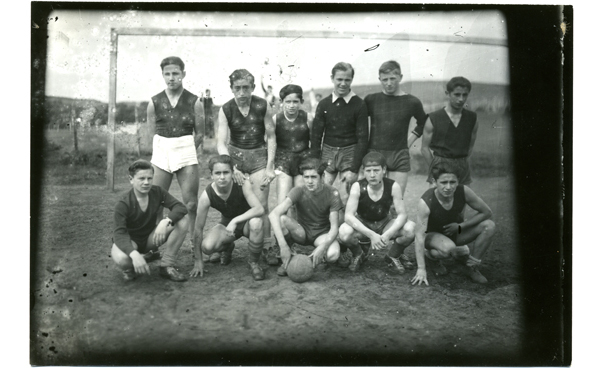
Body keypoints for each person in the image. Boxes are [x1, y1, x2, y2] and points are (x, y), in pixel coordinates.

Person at [216, 69, 277, 261]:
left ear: (252, 87)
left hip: (258, 158)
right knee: (230, 206)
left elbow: (271, 136)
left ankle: (266, 247)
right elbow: (220, 142)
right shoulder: (226, 109)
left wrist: (269, 167)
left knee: (262, 206)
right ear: (231, 88)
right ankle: (226, 245)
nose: (241, 92)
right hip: (235, 159)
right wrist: (231, 167)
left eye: (245, 88)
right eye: (237, 88)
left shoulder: (262, 105)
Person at [146, 56, 204, 247]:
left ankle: (195, 243)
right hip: (162, 152)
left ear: (183, 74)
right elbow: (151, 134)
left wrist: (185, 152)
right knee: (155, 204)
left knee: (191, 204)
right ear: (162, 75)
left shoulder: (194, 101)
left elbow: (200, 134)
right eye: (167, 74)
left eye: (175, 73)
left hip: (186, 151)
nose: (171, 78)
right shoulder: (154, 102)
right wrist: (163, 152)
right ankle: (155, 246)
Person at [410, 163, 496, 286]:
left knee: (489, 226)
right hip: (432, 236)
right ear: (434, 181)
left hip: (455, 231)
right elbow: (419, 236)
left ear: (458, 181)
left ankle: (472, 267)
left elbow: (487, 212)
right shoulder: (426, 201)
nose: (448, 187)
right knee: (448, 249)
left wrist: (461, 226)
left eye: (452, 182)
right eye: (443, 182)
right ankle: (431, 258)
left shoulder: (464, 191)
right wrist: (421, 269)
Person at [111, 159, 189, 282]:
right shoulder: (123, 203)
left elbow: (180, 207)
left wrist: (166, 220)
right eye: (141, 179)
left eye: (149, 178)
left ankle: (166, 265)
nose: (146, 182)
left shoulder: (157, 191)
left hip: (150, 239)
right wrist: (133, 253)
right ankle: (130, 267)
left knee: (183, 220)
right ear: (131, 179)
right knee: (122, 259)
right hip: (131, 242)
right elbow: (119, 233)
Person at [190, 155, 266, 280]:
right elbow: (198, 228)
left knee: (256, 223)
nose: (222, 177)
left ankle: (254, 262)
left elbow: (259, 209)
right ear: (211, 175)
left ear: (232, 173)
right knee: (207, 247)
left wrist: (236, 221)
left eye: (226, 172)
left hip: (246, 223)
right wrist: (198, 261)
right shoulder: (207, 195)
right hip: (227, 226)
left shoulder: (241, 183)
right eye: (217, 173)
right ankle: (228, 247)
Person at [338, 152, 416, 273]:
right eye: (368, 171)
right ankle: (359, 254)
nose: (372, 175)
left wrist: (388, 234)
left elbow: (402, 214)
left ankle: (393, 255)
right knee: (344, 231)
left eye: (376, 170)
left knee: (410, 229)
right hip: (363, 223)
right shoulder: (357, 186)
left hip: (384, 223)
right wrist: (371, 235)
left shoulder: (393, 185)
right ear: (363, 171)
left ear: (384, 170)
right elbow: (348, 216)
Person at [264, 84, 313, 266]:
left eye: (295, 101)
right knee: (282, 203)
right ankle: (280, 243)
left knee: (300, 202)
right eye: (288, 102)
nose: (292, 105)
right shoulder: (276, 119)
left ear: (301, 101)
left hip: (303, 161)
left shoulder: (308, 118)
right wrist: (270, 167)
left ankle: (298, 242)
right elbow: (269, 143)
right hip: (283, 161)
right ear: (281, 102)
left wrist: (312, 167)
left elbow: (314, 144)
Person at [269, 158, 343, 277]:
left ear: (322, 176)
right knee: (281, 219)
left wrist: (323, 247)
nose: (309, 181)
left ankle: (311, 259)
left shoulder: (332, 192)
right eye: (306, 177)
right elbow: (273, 214)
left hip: (321, 234)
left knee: (333, 255)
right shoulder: (298, 190)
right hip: (301, 232)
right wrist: (282, 246)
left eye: (314, 177)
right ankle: (288, 253)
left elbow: (334, 228)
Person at [364, 60, 428, 196]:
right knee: (372, 198)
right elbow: (358, 124)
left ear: (400, 77)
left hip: (399, 155)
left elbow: (423, 123)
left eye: (392, 78)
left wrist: (408, 142)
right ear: (379, 79)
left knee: (396, 199)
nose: (389, 83)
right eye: (385, 79)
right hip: (375, 153)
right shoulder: (371, 100)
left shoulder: (412, 101)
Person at [310, 62, 369, 204]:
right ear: (332, 79)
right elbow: (316, 136)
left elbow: (362, 139)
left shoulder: (359, 104)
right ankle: (324, 226)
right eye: (339, 79)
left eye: (347, 80)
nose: (343, 83)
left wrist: (354, 169)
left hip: (350, 153)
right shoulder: (324, 104)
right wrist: (316, 163)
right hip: (328, 153)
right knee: (320, 195)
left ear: (351, 80)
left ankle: (342, 226)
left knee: (345, 197)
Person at [421, 76, 479, 185]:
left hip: (462, 167)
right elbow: (424, 148)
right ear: (447, 94)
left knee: (462, 200)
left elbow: (470, 147)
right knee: (436, 201)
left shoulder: (472, 118)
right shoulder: (434, 118)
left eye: (464, 95)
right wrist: (435, 169)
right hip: (440, 165)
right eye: (457, 94)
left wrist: (463, 163)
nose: (461, 99)